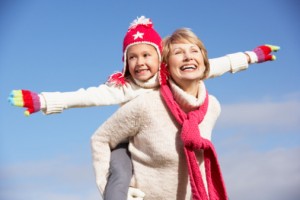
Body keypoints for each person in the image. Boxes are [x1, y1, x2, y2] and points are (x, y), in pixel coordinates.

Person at [8, 15, 279, 200]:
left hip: (150, 139)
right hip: (124, 143)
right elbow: (87, 96)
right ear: (125, 63)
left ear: (159, 58)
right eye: (132, 58)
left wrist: (253, 56)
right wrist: (44, 101)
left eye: (146, 55)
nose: (140, 63)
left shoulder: (173, 76)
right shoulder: (126, 87)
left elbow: (216, 65)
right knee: (120, 175)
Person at [90, 27, 279, 200]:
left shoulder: (212, 106)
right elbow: (100, 138)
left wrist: (252, 56)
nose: (188, 57)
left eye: (194, 51)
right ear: (166, 66)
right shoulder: (146, 105)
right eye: (178, 53)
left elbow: (220, 65)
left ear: (204, 63)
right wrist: (108, 186)